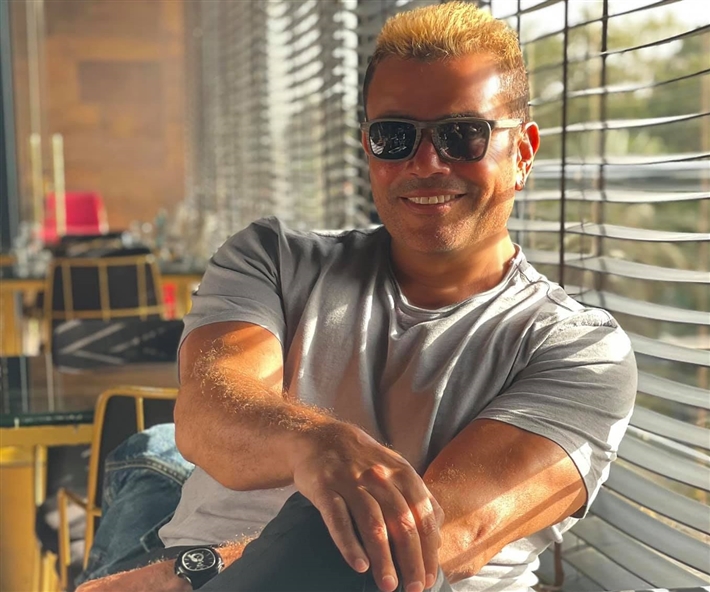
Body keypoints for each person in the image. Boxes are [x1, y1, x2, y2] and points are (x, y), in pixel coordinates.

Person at [76, 2, 637, 591]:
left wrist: (198, 573)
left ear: (523, 153)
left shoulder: (582, 352)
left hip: (207, 578)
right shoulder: (272, 259)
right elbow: (210, 414)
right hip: (185, 564)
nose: (426, 163)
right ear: (368, 149)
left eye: (462, 135)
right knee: (153, 456)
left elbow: (429, 539)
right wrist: (316, 442)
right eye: (395, 136)